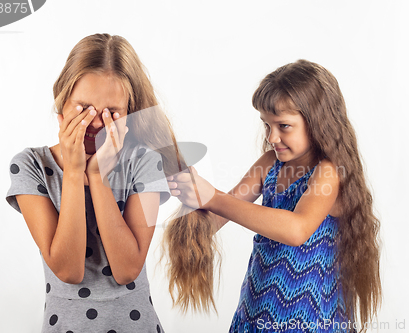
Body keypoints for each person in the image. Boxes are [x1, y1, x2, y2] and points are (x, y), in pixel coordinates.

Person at [164, 59, 382, 332]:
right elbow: (217, 217)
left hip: (309, 322)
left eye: (284, 126)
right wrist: (191, 196)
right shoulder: (268, 165)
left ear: (319, 123)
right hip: (255, 313)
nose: (271, 137)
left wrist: (211, 197)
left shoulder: (328, 173)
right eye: (266, 125)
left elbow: (297, 229)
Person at [6, 33, 178, 333]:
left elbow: (126, 270)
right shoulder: (31, 166)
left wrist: (97, 177)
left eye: (112, 112)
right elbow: (68, 270)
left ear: (129, 116)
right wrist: (73, 173)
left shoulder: (144, 163)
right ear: (62, 102)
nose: (97, 123)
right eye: (83, 108)